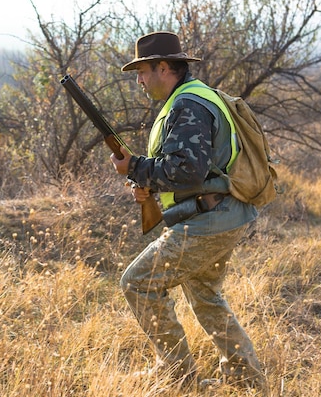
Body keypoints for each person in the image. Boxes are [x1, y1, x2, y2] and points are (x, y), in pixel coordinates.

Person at [110, 31, 267, 392]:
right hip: (221, 214)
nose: (138, 79)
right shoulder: (195, 97)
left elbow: (187, 171)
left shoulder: (187, 105)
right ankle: (247, 378)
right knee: (205, 295)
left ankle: (178, 377)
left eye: (143, 71)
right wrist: (148, 182)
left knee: (137, 283)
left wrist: (135, 167)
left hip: (209, 220)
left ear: (163, 67)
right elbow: (191, 169)